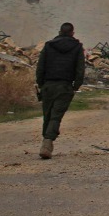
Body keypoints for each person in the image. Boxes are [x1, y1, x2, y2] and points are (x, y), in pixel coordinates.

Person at [35, 22, 85, 159]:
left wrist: (41, 84)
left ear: (59, 32)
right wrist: (75, 86)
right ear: (72, 33)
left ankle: (46, 141)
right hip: (65, 86)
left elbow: (40, 67)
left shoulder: (48, 46)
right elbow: (80, 70)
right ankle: (47, 142)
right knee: (56, 116)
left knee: (48, 115)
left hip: (48, 86)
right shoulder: (77, 47)